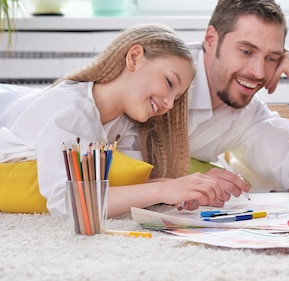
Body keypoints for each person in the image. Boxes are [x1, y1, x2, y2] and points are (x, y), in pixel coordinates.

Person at [0, 24, 229, 218]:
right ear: (135, 57)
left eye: (176, 98)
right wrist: (163, 190)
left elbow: (116, 189)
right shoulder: (71, 109)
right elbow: (66, 203)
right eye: (169, 83)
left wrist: (180, 190)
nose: (169, 104)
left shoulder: (123, 123)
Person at [185, 0, 289, 201]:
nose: (258, 72)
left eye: (271, 58)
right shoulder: (167, 77)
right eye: (246, 52)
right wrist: (182, 179)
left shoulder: (248, 115)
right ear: (211, 40)